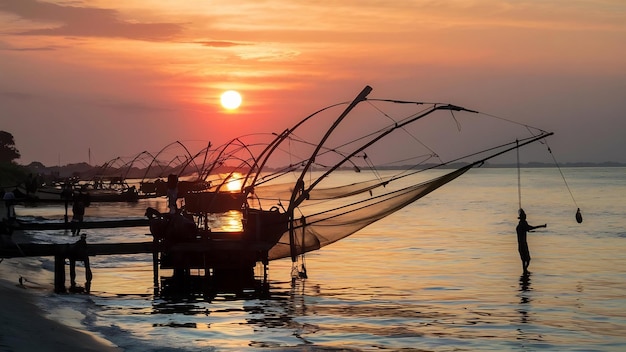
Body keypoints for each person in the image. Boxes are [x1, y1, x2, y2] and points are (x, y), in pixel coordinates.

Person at [516, 208, 546, 275]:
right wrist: (541, 226)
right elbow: (531, 228)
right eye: (524, 215)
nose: (526, 216)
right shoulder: (522, 225)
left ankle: (525, 272)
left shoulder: (520, 225)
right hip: (523, 245)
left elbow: (529, 229)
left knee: (524, 260)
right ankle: (525, 271)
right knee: (528, 259)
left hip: (521, 245)